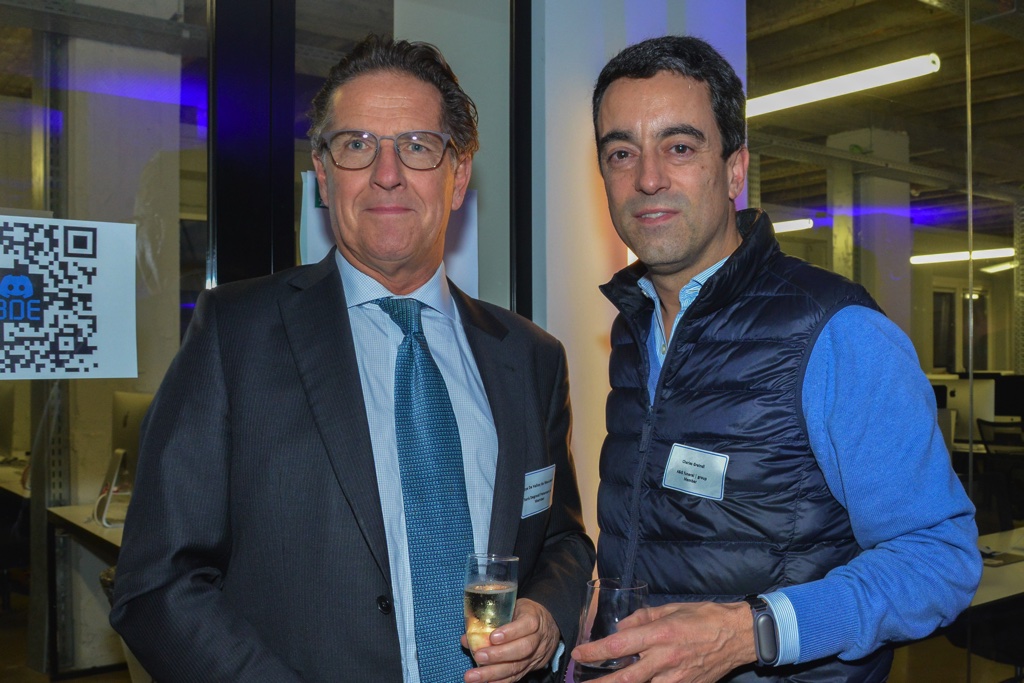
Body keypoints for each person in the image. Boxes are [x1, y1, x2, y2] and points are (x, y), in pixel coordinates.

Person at [110, 35, 594, 683]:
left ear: (457, 177)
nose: (387, 173)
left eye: (417, 146)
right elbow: (156, 584)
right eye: (357, 145)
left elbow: (562, 540)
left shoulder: (531, 357)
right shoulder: (235, 336)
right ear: (323, 173)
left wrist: (547, 614)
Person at [570, 35, 981, 683]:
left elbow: (939, 559)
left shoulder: (837, 332)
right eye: (622, 152)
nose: (647, 178)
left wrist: (751, 632)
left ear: (735, 169)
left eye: (680, 147)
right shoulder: (635, 327)